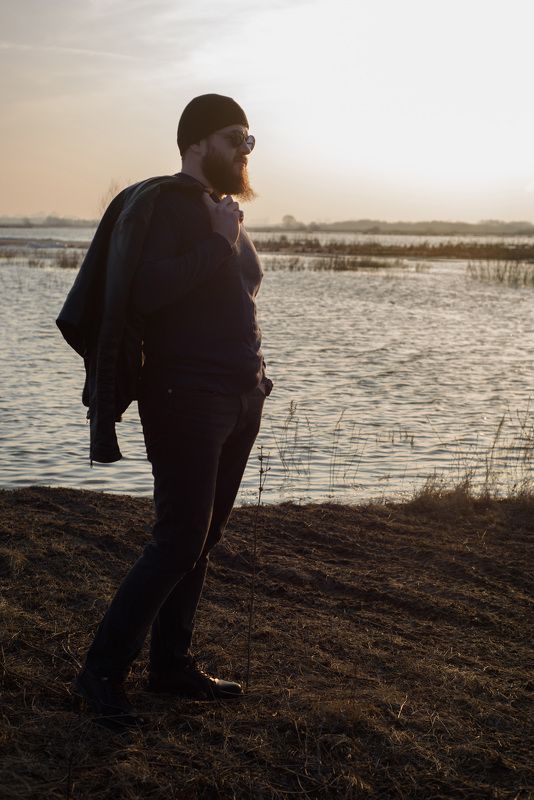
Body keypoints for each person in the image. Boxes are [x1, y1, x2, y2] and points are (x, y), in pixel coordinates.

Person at [69, 93, 272, 729]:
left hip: (240, 394)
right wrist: (216, 242)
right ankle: (99, 671)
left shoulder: (219, 211)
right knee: (178, 537)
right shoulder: (166, 207)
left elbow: (239, 290)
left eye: (251, 140)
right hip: (187, 397)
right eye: (235, 137)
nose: (245, 149)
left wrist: (256, 380)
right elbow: (147, 292)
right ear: (197, 143)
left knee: (202, 537)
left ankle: (171, 666)